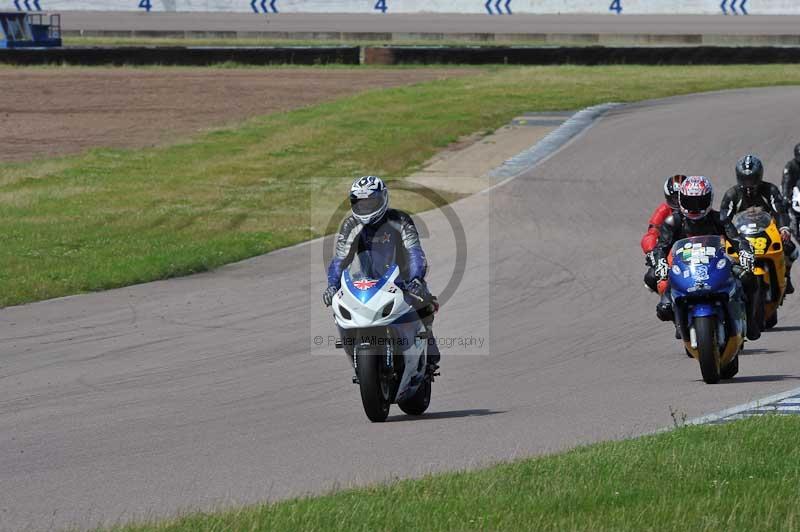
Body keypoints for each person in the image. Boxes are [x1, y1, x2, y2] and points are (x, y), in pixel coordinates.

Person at [322, 176, 440, 371]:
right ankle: (353, 349)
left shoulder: (400, 220)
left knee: (425, 302)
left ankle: (427, 347)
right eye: (360, 202)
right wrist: (332, 285)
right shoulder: (351, 225)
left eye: (370, 201)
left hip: (403, 280)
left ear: (383, 198)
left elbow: (415, 252)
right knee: (339, 307)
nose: (365, 207)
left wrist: (416, 278)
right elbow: (340, 259)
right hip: (368, 282)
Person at [653, 175, 760, 341]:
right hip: (685, 268)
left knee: (749, 279)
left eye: (700, 202)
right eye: (690, 202)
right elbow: (661, 246)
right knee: (664, 307)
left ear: (709, 200)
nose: (695, 208)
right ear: (681, 200)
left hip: (718, 264)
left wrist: (745, 252)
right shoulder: (672, 222)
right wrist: (660, 262)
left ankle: (751, 323)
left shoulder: (721, 219)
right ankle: (680, 323)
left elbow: (738, 239)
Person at [720, 154, 796, 295]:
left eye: (752, 178)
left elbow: (779, 211)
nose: (748, 183)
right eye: (745, 178)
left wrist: (784, 229)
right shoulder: (732, 194)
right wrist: (722, 235)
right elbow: (724, 218)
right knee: (723, 256)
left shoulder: (770, 190)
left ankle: (786, 275)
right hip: (742, 235)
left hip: (767, 232)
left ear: (759, 176)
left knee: (791, 250)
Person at [642, 175, 686, 292]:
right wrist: (652, 252)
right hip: (670, 251)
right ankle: (669, 303)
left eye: (681, 198)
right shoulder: (663, 210)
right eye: (674, 199)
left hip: (697, 249)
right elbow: (651, 233)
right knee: (651, 278)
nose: (678, 203)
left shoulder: (697, 208)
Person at [781, 143, 800, 239]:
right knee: (783, 207)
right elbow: (786, 182)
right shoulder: (790, 166)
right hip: (792, 192)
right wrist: (785, 196)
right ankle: (788, 226)